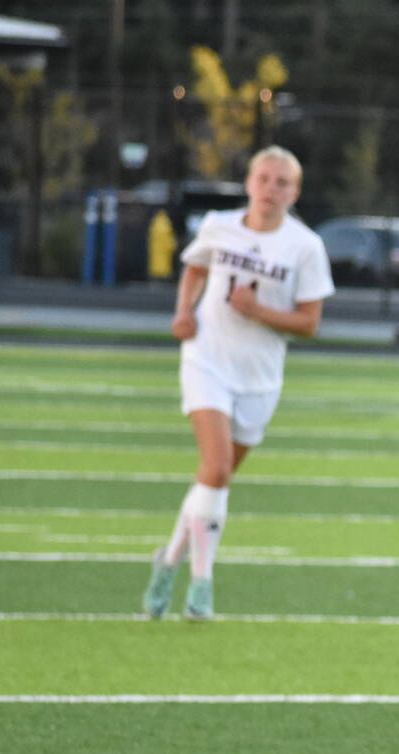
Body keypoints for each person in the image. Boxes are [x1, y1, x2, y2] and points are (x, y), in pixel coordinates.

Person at [143, 146, 333, 622]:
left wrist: (259, 311)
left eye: (282, 183)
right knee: (218, 466)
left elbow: (309, 323)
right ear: (249, 183)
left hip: (260, 377)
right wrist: (183, 312)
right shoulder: (217, 226)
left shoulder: (304, 246)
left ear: (295, 192)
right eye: (264, 179)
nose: (271, 189)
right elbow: (196, 268)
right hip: (207, 359)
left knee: (213, 479)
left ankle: (168, 561)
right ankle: (203, 584)